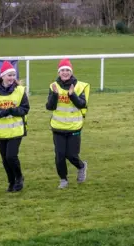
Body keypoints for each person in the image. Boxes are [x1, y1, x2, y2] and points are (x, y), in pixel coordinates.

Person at [0, 61, 30, 192]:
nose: (11, 78)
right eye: (9, 75)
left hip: (16, 130)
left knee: (11, 156)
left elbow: (25, 109)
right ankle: (11, 182)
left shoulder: (20, 91)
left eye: (13, 75)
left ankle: (19, 178)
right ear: (2, 76)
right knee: (5, 159)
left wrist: (12, 111)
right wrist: (5, 111)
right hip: (0, 132)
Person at [45, 58, 89, 189]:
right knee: (59, 156)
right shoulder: (53, 86)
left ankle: (81, 166)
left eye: (67, 70)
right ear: (59, 72)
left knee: (71, 155)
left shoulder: (80, 86)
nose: (65, 73)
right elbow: (50, 107)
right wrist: (54, 94)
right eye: (62, 70)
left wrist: (72, 95)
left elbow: (82, 104)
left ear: (71, 72)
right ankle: (63, 179)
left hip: (74, 127)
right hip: (58, 127)